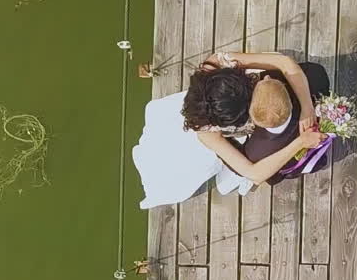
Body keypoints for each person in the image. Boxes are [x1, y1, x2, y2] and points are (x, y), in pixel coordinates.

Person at [132, 50, 325, 210]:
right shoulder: (207, 132)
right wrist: (300, 142)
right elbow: (254, 173)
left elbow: (284, 62)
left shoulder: (215, 65)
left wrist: (307, 106)